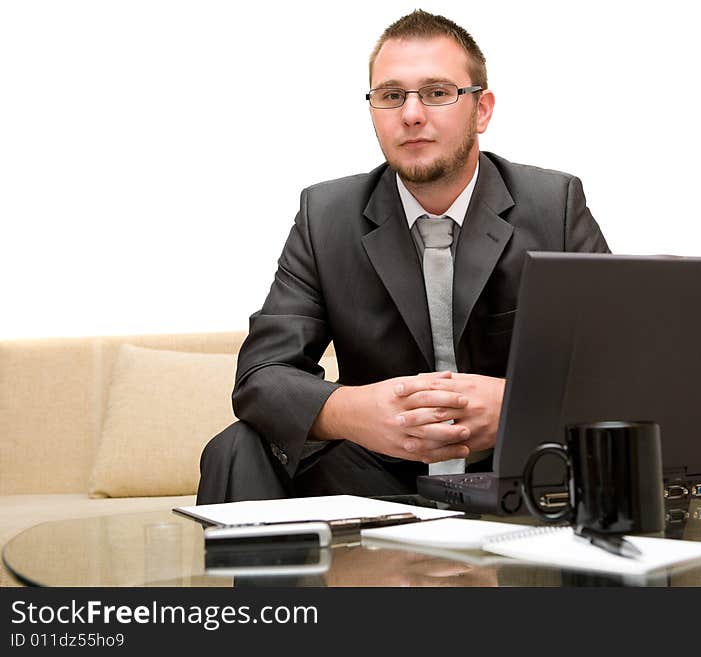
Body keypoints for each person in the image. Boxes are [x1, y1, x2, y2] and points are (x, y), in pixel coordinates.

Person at [196, 10, 610, 504]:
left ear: (481, 109)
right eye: (392, 96)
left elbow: (621, 364)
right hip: (377, 477)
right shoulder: (326, 215)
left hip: (520, 471)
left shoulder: (554, 205)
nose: (412, 114)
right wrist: (354, 410)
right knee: (236, 447)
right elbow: (261, 377)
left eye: (437, 93)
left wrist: (519, 404)